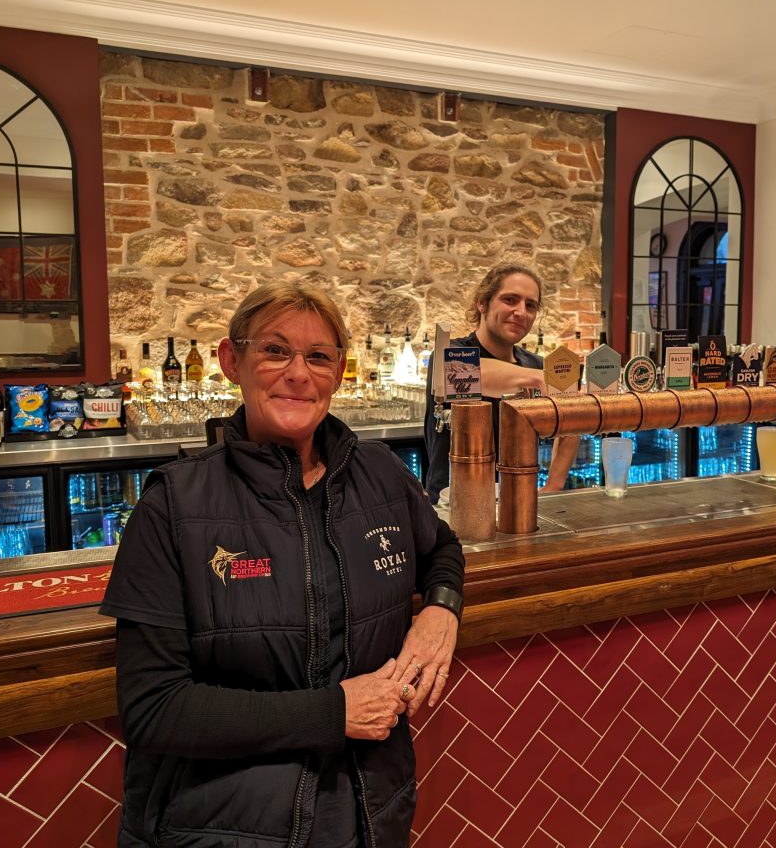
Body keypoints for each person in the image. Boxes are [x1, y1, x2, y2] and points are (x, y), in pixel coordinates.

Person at [101, 281, 464, 848]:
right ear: (231, 362)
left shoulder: (380, 475)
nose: (298, 373)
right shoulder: (174, 505)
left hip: (373, 815)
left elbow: (442, 549)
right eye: (275, 351)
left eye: (318, 356)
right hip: (223, 828)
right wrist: (333, 712)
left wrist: (441, 611)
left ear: (340, 372)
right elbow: (155, 708)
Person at [424, 262, 579, 503]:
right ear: (482, 302)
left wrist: (554, 485)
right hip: (452, 504)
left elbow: (571, 423)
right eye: (510, 300)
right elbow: (467, 372)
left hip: (518, 504)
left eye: (530, 306)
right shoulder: (451, 353)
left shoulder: (535, 364)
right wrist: (540, 378)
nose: (521, 312)